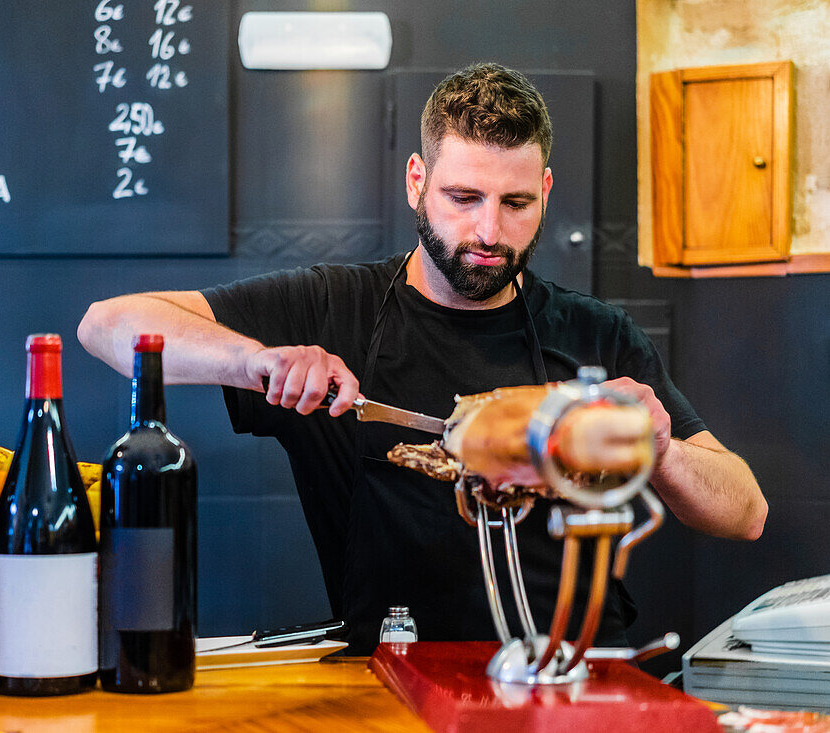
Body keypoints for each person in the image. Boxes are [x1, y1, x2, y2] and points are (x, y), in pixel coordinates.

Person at [77, 63, 766, 654]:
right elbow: (106, 325)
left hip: (581, 682)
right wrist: (259, 361)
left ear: (546, 192)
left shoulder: (596, 335)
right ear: (417, 180)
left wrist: (662, 449)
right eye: (463, 198)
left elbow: (746, 510)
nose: (489, 231)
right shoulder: (332, 309)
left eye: (516, 202)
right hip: (392, 682)